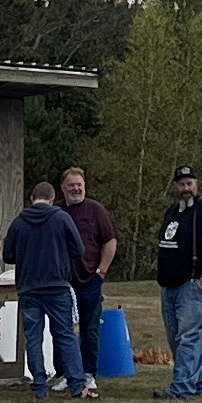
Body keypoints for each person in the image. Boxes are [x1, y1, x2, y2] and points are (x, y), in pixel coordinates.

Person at [5, 179, 95, 398]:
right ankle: (77, 385)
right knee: (65, 335)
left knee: (34, 338)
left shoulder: (19, 222)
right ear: (53, 199)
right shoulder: (61, 218)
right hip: (57, 286)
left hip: (28, 288)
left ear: (32, 199)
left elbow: (8, 255)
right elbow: (78, 249)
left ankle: (39, 385)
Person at [155, 162, 202, 400]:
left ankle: (181, 389)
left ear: (196, 184)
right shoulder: (173, 212)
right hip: (170, 285)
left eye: (189, 183)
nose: (185, 188)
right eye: (181, 184)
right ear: (175, 187)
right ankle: (199, 384)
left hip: (193, 285)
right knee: (178, 340)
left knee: (189, 339)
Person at [60, 164, 120, 385]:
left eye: (79, 184)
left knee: (90, 328)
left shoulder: (96, 210)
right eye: (71, 185)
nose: (76, 189)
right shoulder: (56, 212)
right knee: (62, 329)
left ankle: (88, 374)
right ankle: (64, 374)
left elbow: (110, 241)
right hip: (63, 282)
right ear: (63, 187)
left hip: (90, 280)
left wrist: (101, 271)